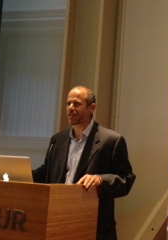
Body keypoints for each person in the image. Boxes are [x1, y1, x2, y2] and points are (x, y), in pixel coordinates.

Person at [32, 86, 136, 239]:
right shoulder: (58, 140)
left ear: (91, 108)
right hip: (57, 222)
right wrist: (18, 175)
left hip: (92, 227)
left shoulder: (111, 140)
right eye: (68, 104)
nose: (71, 108)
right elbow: (46, 172)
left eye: (76, 104)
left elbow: (126, 179)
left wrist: (101, 180)